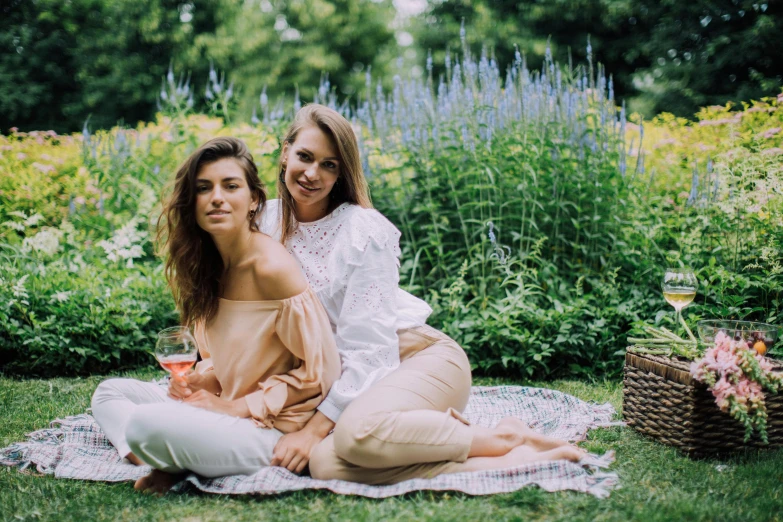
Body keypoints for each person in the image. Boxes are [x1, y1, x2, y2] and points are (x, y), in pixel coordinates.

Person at [257, 104, 583, 485]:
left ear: (342, 172)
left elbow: (370, 350)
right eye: (305, 157)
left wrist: (312, 430)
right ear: (285, 153)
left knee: (353, 436)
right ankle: (515, 457)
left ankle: (502, 436)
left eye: (330, 165)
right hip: (357, 382)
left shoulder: (361, 231)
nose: (313, 173)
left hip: (416, 358)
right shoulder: (262, 221)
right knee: (327, 464)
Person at [90, 137, 341, 494]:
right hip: (224, 406)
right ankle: (166, 456)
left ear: (253, 200)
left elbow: (321, 373)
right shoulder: (206, 264)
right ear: (191, 202)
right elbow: (225, 360)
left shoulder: (270, 269)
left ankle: (167, 454)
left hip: (269, 428)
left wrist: (233, 407)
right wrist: (200, 382)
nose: (217, 197)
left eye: (231, 186)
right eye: (204, 188)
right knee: (109, 393)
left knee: (146, 423)